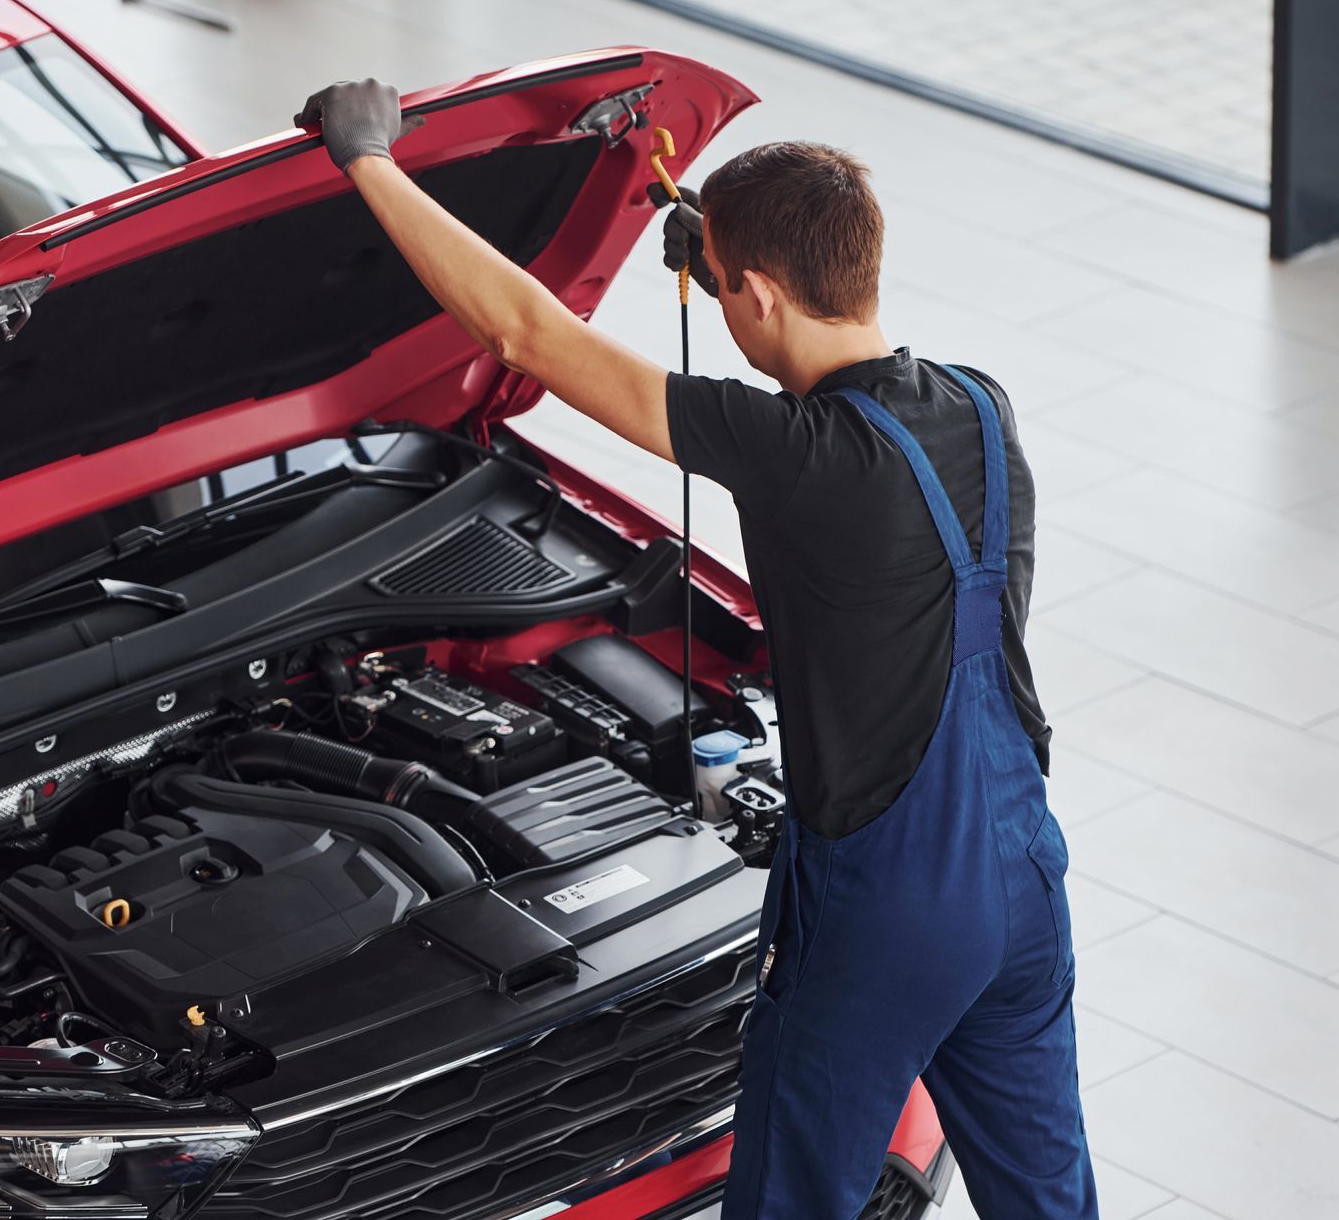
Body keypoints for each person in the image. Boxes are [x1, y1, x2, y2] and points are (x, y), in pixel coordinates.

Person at [297, 78, 1099, 1220]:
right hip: (1021, 868)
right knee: (1049, 1196)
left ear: (759, 294)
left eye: (724, 289)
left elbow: (529, 332)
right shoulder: (982, 404)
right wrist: (720, 246)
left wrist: (369, 160)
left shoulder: (791, 450)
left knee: (790, 1196)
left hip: (890, 909)